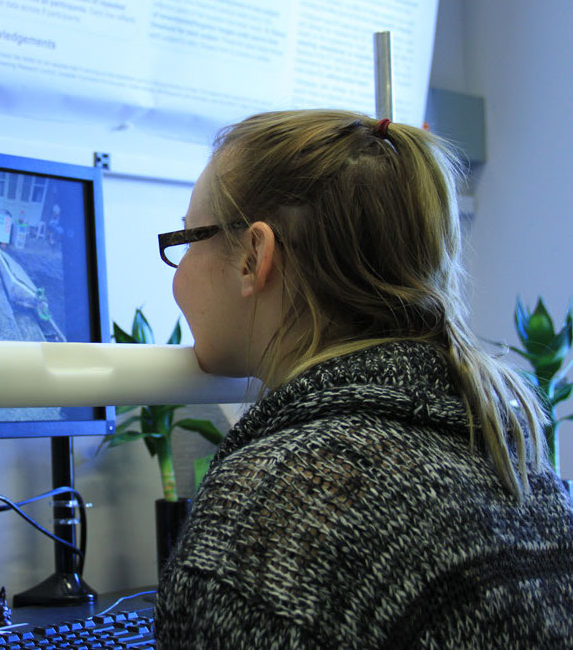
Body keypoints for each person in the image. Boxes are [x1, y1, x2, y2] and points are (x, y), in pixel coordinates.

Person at [153, 110, 573, 648]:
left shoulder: (275, 506)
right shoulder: (521, 465)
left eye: (189, 239)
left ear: (253, 257)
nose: (180, 276)